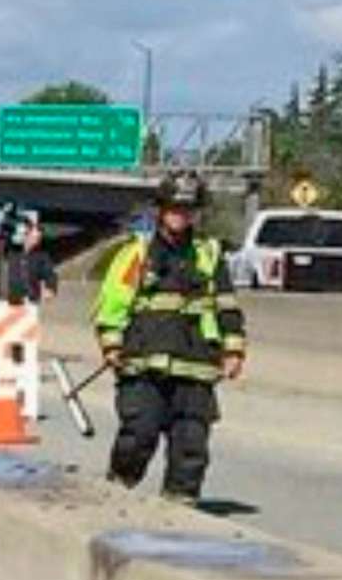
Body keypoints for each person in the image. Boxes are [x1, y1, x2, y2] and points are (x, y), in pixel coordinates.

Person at [95, 171, 246, 505]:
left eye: (188, 209)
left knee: (191, 445)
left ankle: (180, 507)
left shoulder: (209, 253)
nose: (181, 214)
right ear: (161, 210)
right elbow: (112, 303)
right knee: (139, 434)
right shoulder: (136, 253)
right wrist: (111, 344)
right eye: (175, 207)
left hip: (196, 364)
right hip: (141, 361)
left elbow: (226, 304)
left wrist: (233, 349)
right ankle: (116, 491)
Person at [0, 216, 59, 306]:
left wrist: (50, 288)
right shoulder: (5, 249)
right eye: (34, 235)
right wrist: (2, 229)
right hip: (2, 300)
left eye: (38, 237)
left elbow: (50, 274)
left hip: (28, 301)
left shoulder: (41, 255)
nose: (36, 238)